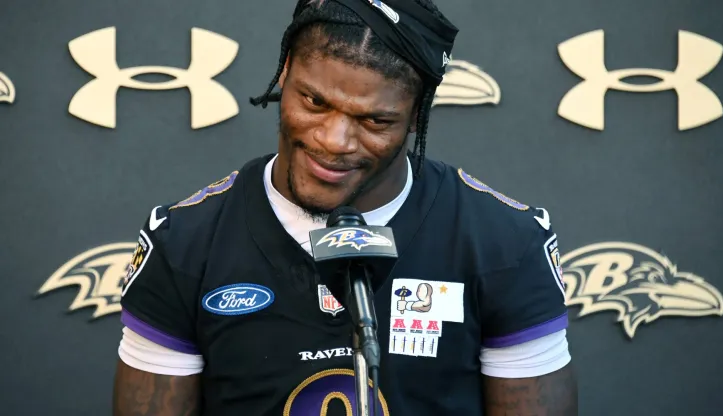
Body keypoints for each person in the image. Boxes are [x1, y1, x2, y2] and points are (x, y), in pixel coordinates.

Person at [112, 0, 579, 414]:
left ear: (417, 115)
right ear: (285, 70)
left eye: (375, 120)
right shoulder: (185, 240)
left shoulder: (504, 242)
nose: (333, 141)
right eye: (314, 101)